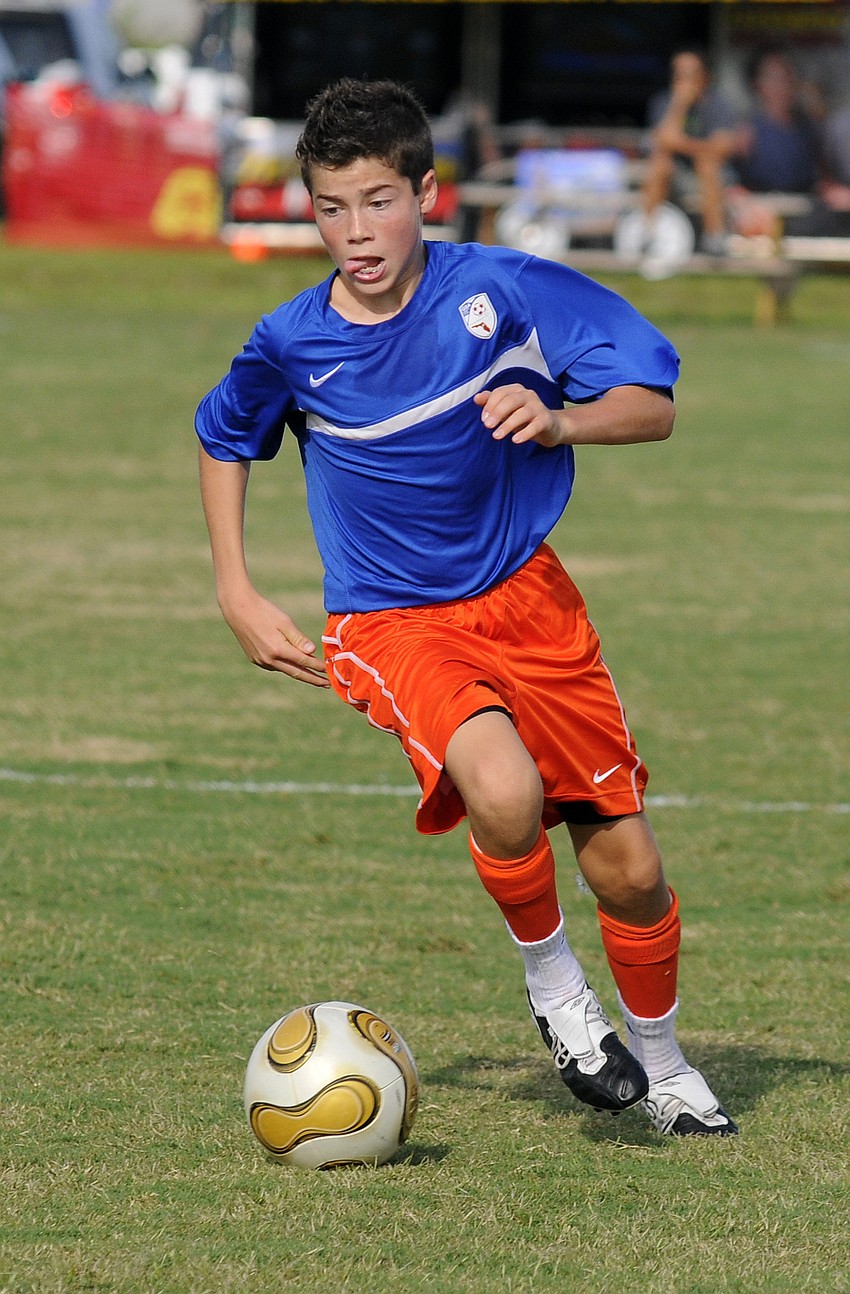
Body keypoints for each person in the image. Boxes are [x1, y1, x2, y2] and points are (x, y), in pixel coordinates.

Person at [196, 77, 737, 1138]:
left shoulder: (506, 290)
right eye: (332, 207)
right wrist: (235, 587)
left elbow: (652, 405)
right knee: (500, 787)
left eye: (378, 201)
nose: (357, 232)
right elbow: (224, 436)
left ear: (427, 194)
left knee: (628, 869)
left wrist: (558, 417)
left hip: (531, 608)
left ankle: (666, 1067)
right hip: (391, 621)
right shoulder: (289, 340)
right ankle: (557, 995)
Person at [641, 48, 740, 255]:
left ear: (705, 77)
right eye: (679, 74)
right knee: (660, 163)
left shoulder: (719, 104)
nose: (685, 81)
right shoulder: (663, 102)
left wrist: (681, 143)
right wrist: (679, 105)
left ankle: (715, 238)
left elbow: (721, 148)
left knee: (707, 165)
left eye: (691, 74)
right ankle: (648, 234)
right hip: (675, 178)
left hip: (713, 178)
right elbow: (661, 142)